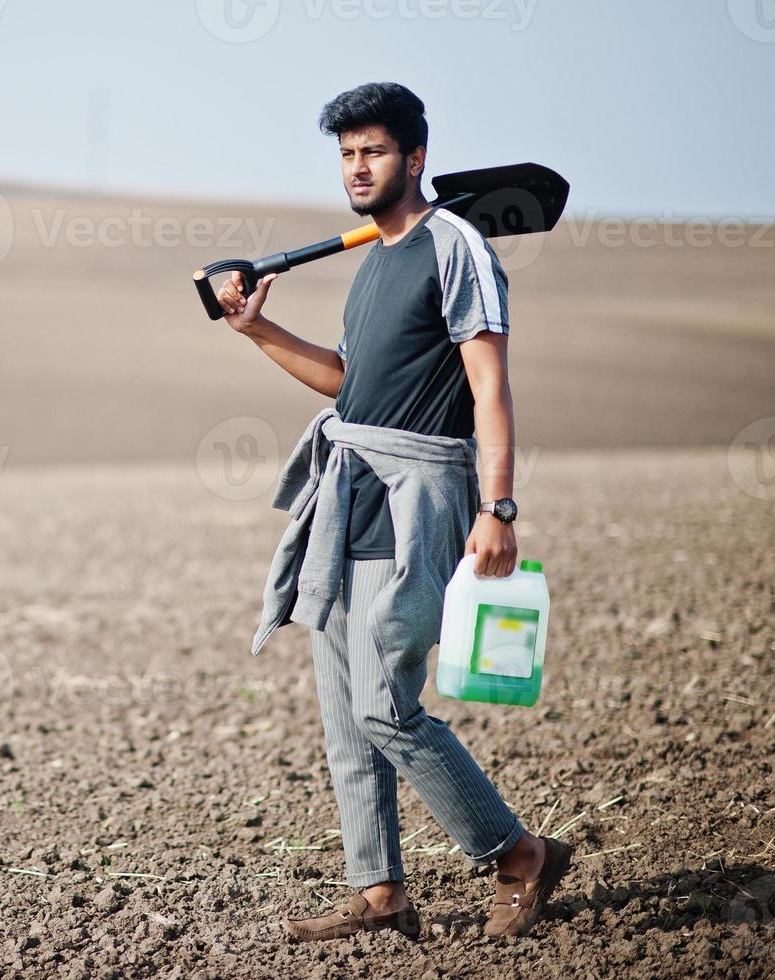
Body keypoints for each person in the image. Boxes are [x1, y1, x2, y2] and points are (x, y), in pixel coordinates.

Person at [215, 82, 570, 941]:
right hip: (349, 495)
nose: (357, 168)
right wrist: (259, 332)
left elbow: (489, 389)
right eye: (346, 154)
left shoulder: (457, 247)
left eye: (372, 151)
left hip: (419, 499)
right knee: (344, 714)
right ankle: (379, 893)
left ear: (415, 157)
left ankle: (518, 853)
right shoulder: (375, 259)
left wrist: (499, 507)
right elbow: (352, 384)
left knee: (385, 706)